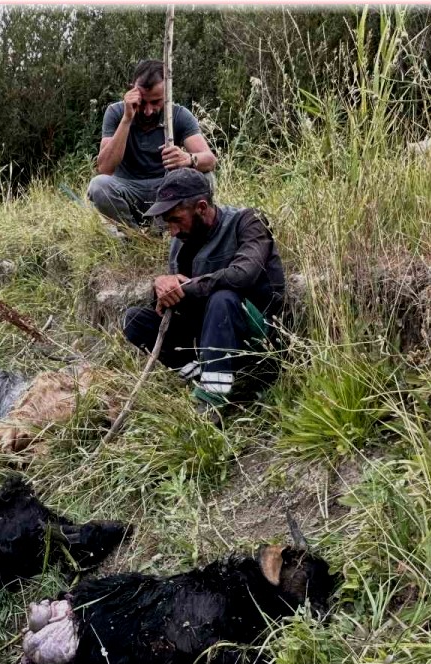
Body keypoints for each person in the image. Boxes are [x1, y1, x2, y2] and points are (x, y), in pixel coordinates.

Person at [122, 168, 285, 405]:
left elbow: (242, 276)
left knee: (223, 298)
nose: (173, 231)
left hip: (257, 336)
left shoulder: (248, 221)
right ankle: (202, 374)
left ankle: (211, 400)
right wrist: (161, 286)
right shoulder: (181, 242)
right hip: (207, 336)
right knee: (134, 319)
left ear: (201, 207)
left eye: (177, 220)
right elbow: (177, 296)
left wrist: (186, 287)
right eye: (168, 223)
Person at [87, 59, 217, 227]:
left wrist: (188, 159)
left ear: (167, 94)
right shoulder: (116, 112)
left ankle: (161, 231)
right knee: (98, 185)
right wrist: (127, 119)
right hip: (127, 190)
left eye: (155, 102)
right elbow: (104, 168)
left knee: (205, 178)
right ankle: (132, 237)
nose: (148, 111)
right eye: (143, 102)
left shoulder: (179, 115)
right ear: (131, 90)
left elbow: (210, 160)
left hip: (166, 191)